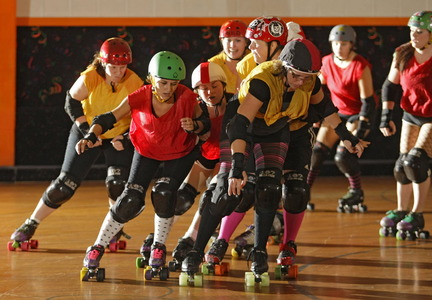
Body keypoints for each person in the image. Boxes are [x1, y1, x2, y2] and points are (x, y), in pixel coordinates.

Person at [181, 38, 368, 283]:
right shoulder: (263, 81)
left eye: (306, 77)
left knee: (269, 188)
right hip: (241, 127)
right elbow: (240, 125)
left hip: (274, 128)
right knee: (228, 192)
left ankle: (259, 252)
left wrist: (347, 137)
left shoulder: (309, 80)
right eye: (297, 76)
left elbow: (326, 108)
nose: (302, 82)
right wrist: (238, 167)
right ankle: (196, 252)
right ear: (285, 68)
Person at [76, 51, 210, 280]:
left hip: (179, 153)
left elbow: (206, 127)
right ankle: (97, 247)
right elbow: (108, 118)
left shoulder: (187, 97)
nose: (168, 88)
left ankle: (158, 247)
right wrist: (90, 136)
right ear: (151, 79)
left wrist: (195, 125)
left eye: (174, 83)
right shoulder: (140, 96)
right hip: (146, 151)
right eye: (163, 82)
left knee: (164, 192)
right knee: (130, 199)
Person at [8, 37, 143, 251]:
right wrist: (87, 132)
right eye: (113, 67)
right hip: (88, 130)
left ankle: (114, 229)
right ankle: (30, 223)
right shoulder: (90, 77)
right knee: (65, 185)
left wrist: (125, 137)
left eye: (123, 67)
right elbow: (71, 103)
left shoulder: (134, 81)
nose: (119, 72)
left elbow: (141, 115)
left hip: (117, 135)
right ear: (102, 62)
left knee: (117, 184)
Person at [306, 24, 377, 213]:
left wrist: (362, 127)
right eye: (336, 43)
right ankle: (303, 191)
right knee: (317, 153)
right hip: (336, 113)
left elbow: (368, 103)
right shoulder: (327, 62)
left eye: (344, 44)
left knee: (343, 155)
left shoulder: (360, 66)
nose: (339, 48)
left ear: (351, 45)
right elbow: (316, 89)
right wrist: (315, 113)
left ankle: (356, 191)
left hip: (358, 114)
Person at [167, 62, 232, 268]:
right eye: (203, 88)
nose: (209, 92)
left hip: (228, 158)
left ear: (223, 85)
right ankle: (159, 237)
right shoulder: (196, 106)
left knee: (210, 197)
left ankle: (189, 239)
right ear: (196, 90)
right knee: (182, 198)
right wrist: (192, 127)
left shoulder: (236, 103)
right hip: (207, 155)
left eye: (214, 86)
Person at [378, 11, 432, 240]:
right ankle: (402, 210)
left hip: (431, 117)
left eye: (419, 31)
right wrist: (385, 115)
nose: (414, 35)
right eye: (411, 30)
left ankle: (417, 214)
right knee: (402, 166)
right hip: (410, 114)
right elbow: (390, 86)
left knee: (416, 162)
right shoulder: (403, 53)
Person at [209, 19, 250, 94]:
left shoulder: (255, 60)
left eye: (238, 40)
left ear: (246, 42)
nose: (232, 46)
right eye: (228, 40)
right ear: (222, 42)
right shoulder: (213, 64)